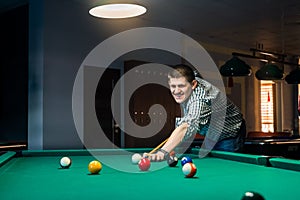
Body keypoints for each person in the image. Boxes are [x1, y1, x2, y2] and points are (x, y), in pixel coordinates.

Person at [144, 64, 246, 161]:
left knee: (225, 169)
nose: (176, 91)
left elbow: (187, 126)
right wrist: (172, 147)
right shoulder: (188, 82)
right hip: (211, 133)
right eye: (173, 86)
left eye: (181, 86)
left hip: (229, 132)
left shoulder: (199, 98)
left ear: (193, 84)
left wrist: (162, 152)